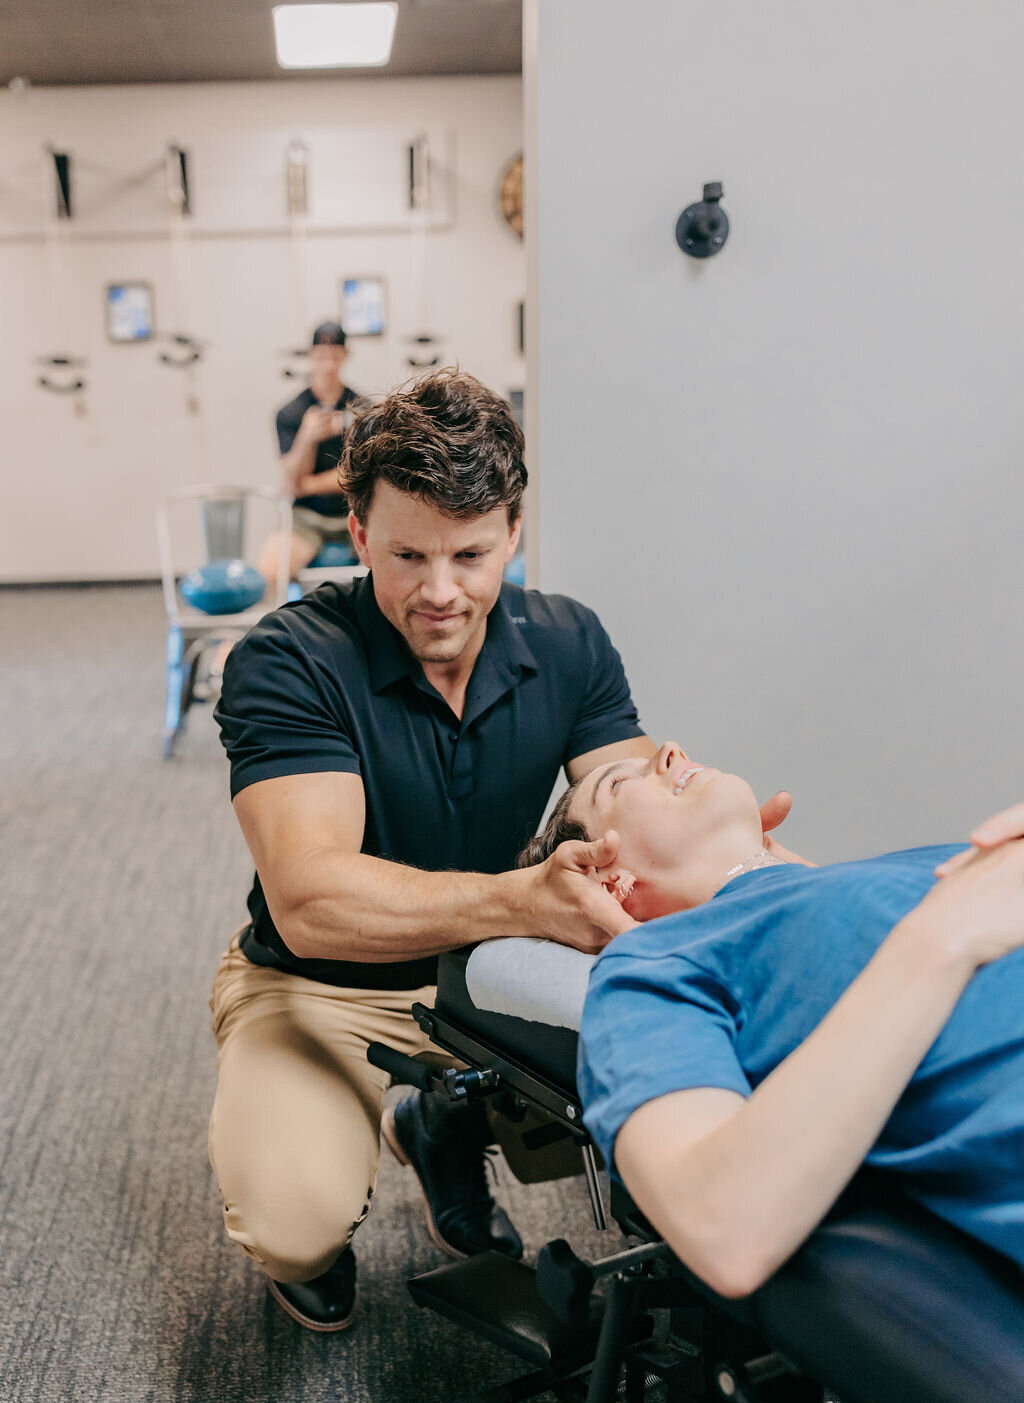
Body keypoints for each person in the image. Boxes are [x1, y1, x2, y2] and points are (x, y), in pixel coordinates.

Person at [211, 369, 798, 1333]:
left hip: (486, 973)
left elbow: (634, 810)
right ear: (357, 534)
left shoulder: (571, 642)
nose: (442, 592)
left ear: (514, 533)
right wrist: (524, 902)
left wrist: (750, 864)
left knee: (706, 1071)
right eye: (408, 555)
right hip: (322, 981)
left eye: (472, 554)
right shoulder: (290, 659)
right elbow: (310, 899)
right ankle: (367, 1162)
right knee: (293, 1223)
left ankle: (435, 1114)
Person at [518, 742, 1024, 1294]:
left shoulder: (897, 871)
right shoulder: (655, 963)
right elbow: (717, 1228)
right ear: (609, 882)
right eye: (617, 785)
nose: (668, 750)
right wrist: (939, 940)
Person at [261, 320, 364, 582]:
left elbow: (360, 476)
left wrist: (305, 485)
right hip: (306, 518)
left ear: (345, 356)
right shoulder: (291, 413)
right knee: (270, 572)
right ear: (311, 356)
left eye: (335, 357)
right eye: (322, 357)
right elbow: (291, 476)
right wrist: (307, 438)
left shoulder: (362, 410)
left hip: (354, 512)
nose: (328, 366)